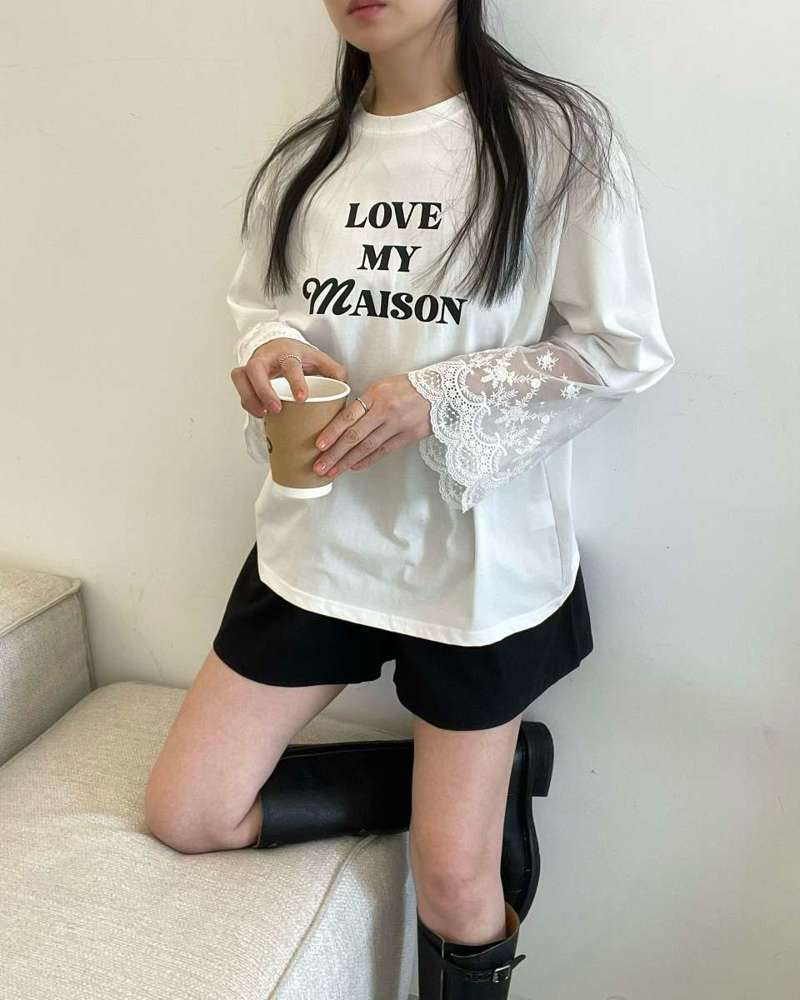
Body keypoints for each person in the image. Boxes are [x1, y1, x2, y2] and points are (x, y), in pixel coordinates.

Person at [145, 1, 675, 995]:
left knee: (452, 877)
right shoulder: (306, 159)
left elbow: (620, 349)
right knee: (188, 812)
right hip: (321, 536)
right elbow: (260, 305)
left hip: (473, 561)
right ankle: (484, 779)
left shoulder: (552, 137)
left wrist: (439, 394)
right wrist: (270, 350)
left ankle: (460, 813)